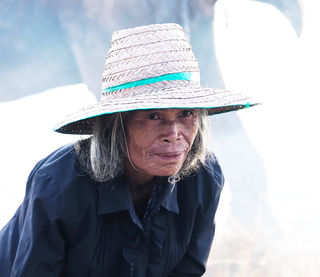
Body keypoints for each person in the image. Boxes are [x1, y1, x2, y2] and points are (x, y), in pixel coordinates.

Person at [0, 23, 256, 276]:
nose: (174, 134)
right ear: (116, 127)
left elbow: (187, 270)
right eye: (154, 115)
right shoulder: (59, 185)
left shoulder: (203, 178)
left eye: (186, 113)